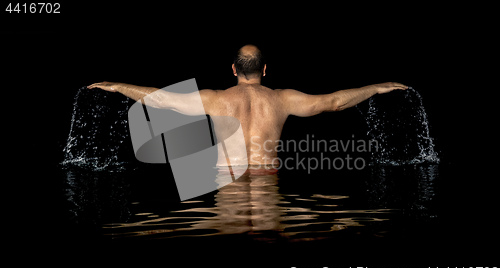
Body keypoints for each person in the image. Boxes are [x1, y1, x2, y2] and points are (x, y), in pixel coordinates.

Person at [88, 44, 407, 167]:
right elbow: (335, 102)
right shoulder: (283, 99)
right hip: (269, 184)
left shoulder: (214, 99)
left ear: (233, 70)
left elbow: (161, 100)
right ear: (265, 71)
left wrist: (118, 86)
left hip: (229, 188)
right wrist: (376, 87)